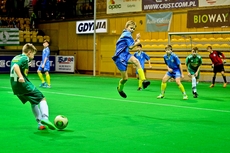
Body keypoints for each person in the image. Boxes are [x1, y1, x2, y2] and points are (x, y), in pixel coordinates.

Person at [10, 43, 56, 130]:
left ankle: (40, 124)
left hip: (15, 86)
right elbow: (16, 66)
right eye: (33, 54)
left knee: (33, 102)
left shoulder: (16, 57)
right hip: (23, 85)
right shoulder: (25, 58)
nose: (33, 56)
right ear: (29, 52)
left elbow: (15, 65)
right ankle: (45, 118)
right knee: (42, 98)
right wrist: (20, 76)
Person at [112, 20, 150, 98]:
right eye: (131, 28)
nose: (132, 30)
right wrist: (138, 41)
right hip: (119, 57)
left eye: (133, 29)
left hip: (126, 54)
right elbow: (131, 47)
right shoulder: (127, 34)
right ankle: (120, 89)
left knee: (136, 61)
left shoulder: (127, 34)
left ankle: (144, 80)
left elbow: (130, 44)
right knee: (125, 79)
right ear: (126, 27)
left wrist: (136, 39)